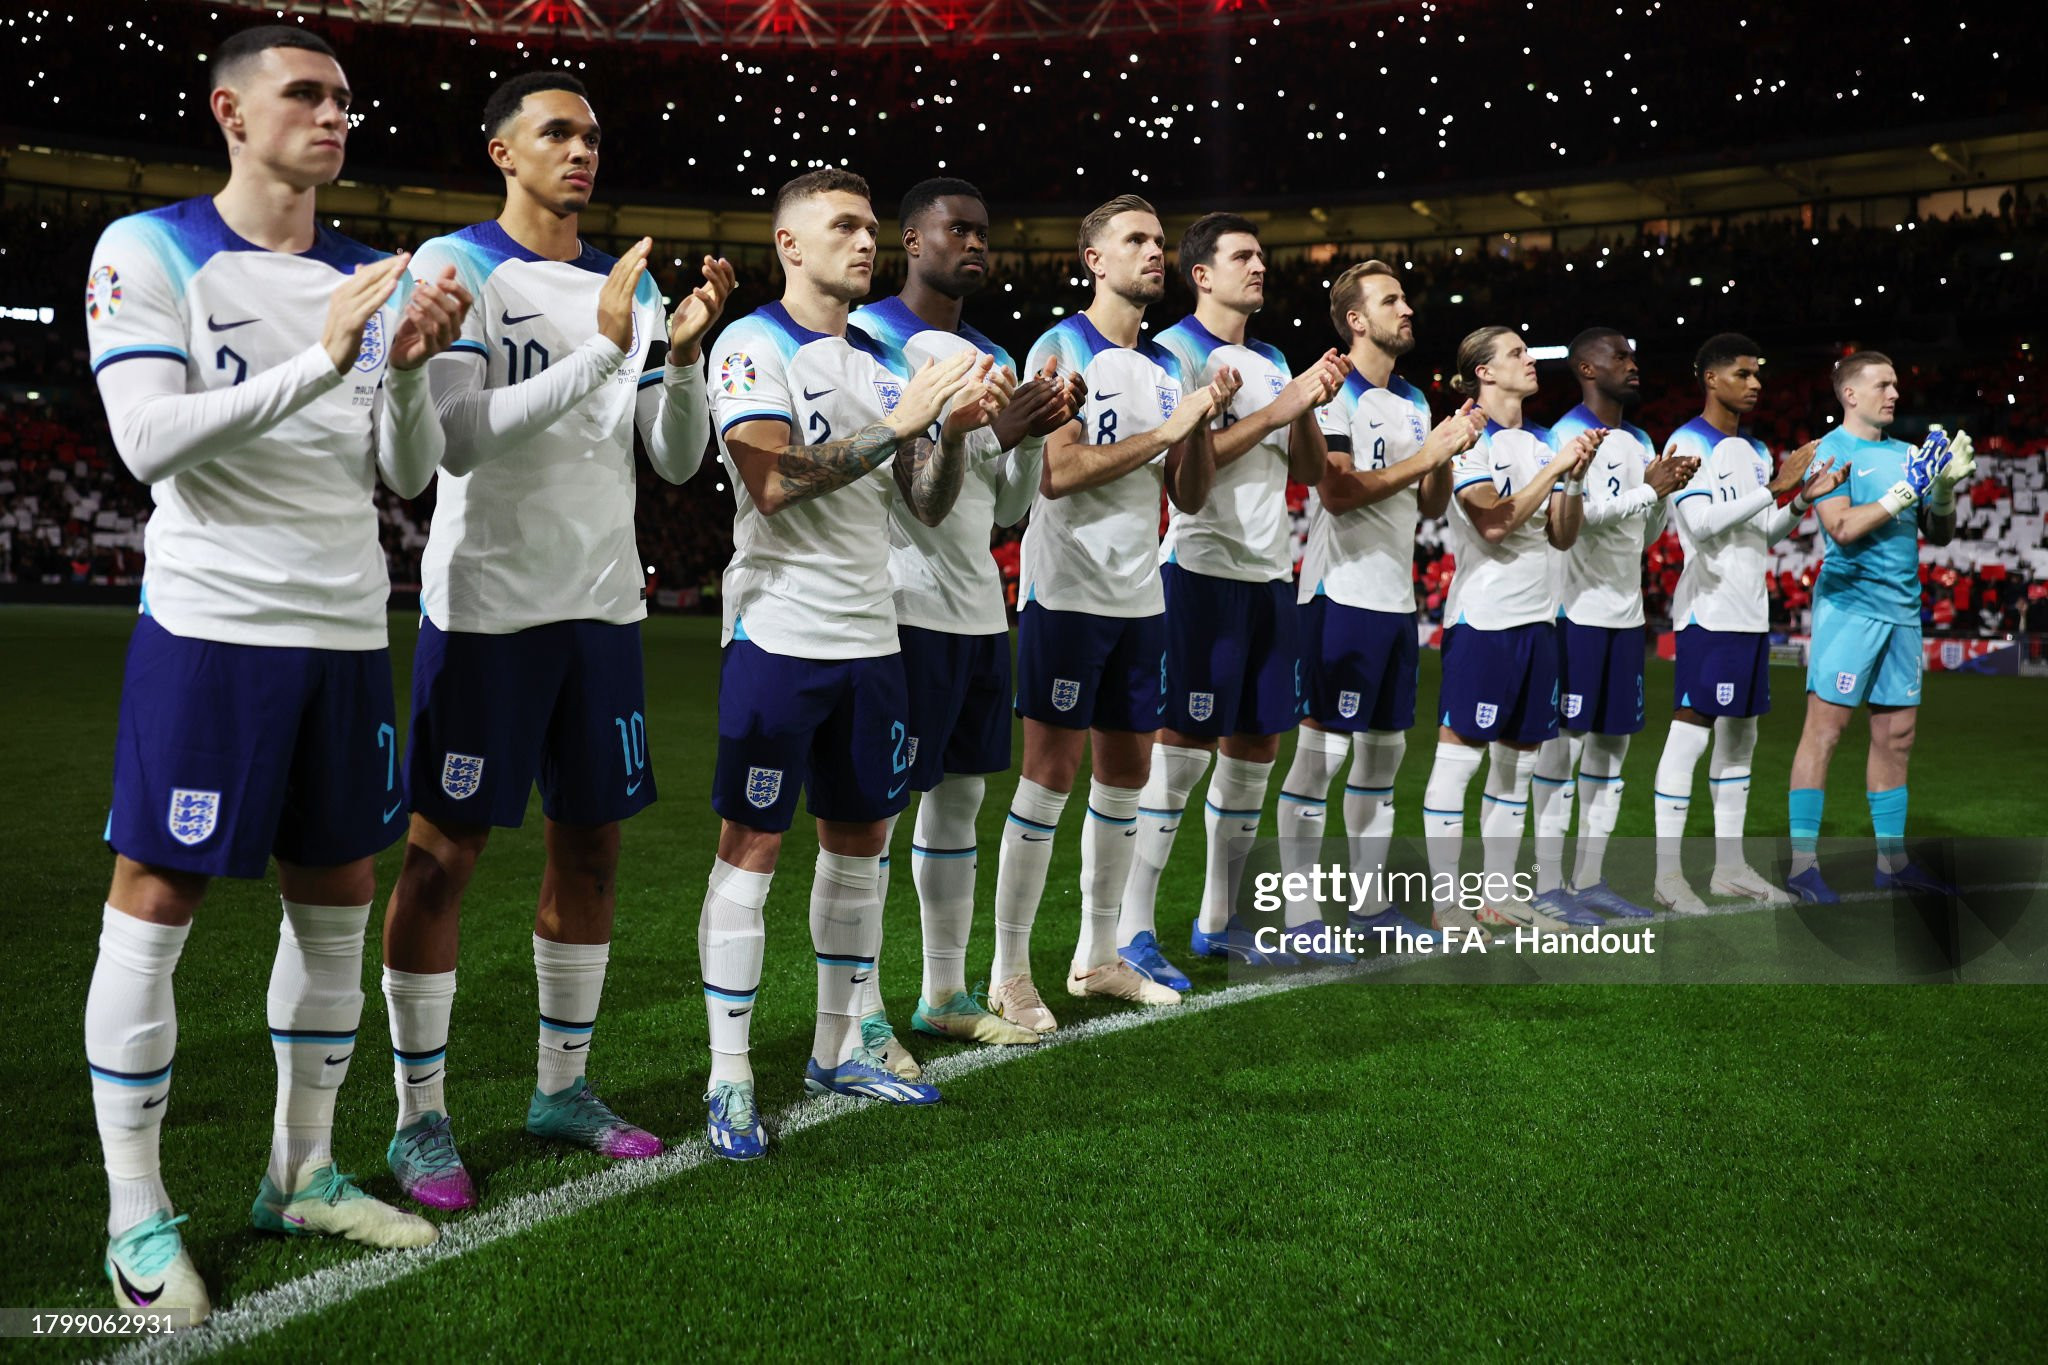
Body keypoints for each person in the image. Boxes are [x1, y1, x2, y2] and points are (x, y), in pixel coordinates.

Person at [81, 24, 470, 1322]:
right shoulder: (153, 251)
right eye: (305, 93)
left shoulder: (370, 270)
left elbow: (406, 472)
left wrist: (404, 370)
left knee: (338, 898)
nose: (333, 114)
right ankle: (136, 1212)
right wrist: (323, 354)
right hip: (213, 629)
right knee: (159, 892)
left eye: (344, 98)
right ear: (230, 112)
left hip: (349, 631)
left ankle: (299, 1171)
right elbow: (149, 441)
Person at [378, 72, 734, 1209]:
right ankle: (417, 1119)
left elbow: (674, 461)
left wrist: (678, 359)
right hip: (486, 609)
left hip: (601, 609)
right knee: (442, 858)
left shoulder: (620, 282)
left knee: (591, 850)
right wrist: (602, 351)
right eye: (557, 132)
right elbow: (457, 445)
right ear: (502, 152)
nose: (582, 150)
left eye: (591, 132)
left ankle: (561, 1089)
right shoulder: (460, 269)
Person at [699, 168, 997, 1159]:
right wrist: (905, 423)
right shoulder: (751, 343)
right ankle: (728, 1077)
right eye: (843, 227)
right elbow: (774, 481)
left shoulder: (881, 353)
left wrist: (946, 435)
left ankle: (837, 1047)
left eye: (871, 227)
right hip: (780, 634)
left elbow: (924, 502)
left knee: (859, 847)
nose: (865, 242)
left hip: (875, 637)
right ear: (788, 244)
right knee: (752, 850)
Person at [985, 194, 1234, 1030]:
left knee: (1126, 774)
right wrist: (1172, 430)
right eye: (1136, 240)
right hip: (1068, 592)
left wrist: (1196, 423)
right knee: (1050, 773)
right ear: (1093, 259)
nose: (1154, 252)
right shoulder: (1062, 345)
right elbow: (1056, 472)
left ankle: (1098, 957)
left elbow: (1190, 496)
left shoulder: (1168, 369)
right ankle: (1009, 970)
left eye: (1160, 241)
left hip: (1140, 597)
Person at [849, 176, 1081, 1054]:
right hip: (901, 604)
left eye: (985, 231)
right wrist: (990, 430)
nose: (976, 243)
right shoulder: (868, 339)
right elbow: (909, 497)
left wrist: (1029, 427)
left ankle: (943, 991)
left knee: (958, 808)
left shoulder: (993, 351)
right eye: (959, 229)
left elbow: (1010, 502)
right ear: (911, 240)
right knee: (876, 817)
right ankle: (860, 1004)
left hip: (981, 611)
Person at [1119, 212, 1348, 980]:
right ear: (1202, 274)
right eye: (1242, 256)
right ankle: (1132, 929)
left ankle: (1219, 920)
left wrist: (1308, 401)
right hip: (1199, 570)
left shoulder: (1276, 358)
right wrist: (1278, 411)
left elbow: (1310, 471)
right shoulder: (1172, 354)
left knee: (1255, 751)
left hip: (1267, 576)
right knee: (1179, 754)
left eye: (1262, 255)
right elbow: (1182, 476)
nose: (1259, 267)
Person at [1275, 259, 1480, 944]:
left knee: (1383, 761)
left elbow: (1428, 503)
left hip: (1395, 604)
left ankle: (1368, 907)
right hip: (1340, 597)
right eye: (1391, 300)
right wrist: (1428, 457)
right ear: (1356, 319)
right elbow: (1334, 490)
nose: (1408, 309)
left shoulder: (1414, 401)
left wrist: (1447, 446)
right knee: (1321, 760)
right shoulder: (1335, 392)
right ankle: (1300, 913)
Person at [1417, 328, 1598, 928]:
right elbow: (1494, 523)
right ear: (1484, 372)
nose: (1529, 360)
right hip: (1486, 621)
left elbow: (1563, 535)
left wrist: (1572, 476)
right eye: (1517, 353)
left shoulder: (1545, 441)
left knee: (1516, 766)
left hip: (1540, 621)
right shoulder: (1466, 436)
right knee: (1460, 761)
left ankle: (1498, 897)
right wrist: (1555, 472)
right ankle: (1446, 903)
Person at [1650, 334, 1838, 913]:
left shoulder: (1754, 449)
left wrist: (1800, 502)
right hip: (1708, 612)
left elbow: (1757, 532)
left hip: (1749, 613)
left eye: (1759, 373)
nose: (1756, 382)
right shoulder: (1688, 441)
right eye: (1742, 373)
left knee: (1742, 738)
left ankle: (1729, 869)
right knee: (1691, 732)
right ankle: (1666, 875)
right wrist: (1772, 489)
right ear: (1710, 378)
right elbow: (1702, 525)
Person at [1784, 352, 1970, 901]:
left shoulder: (1911, 454)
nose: (1894, 394)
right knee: (1826, 732)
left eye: (1896, 384)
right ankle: (1801, 865)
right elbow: (1840, 527)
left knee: (1898, 737)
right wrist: (1906, 491)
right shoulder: (1830, 451)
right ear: (1851, 394)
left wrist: (1941, 492)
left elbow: (1938, 535)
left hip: (1903, 612)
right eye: (1883, 385)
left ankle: (1892, 862)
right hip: (1850, 609)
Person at [1527, 329, 1697, 923]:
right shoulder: (1568, 438)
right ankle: (1549, 886)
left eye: (1633, 353)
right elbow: (1570, 522)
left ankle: (1590, 880)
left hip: (1625, 618)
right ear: (1587, 369)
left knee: (1611, 754)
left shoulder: (1640, 439)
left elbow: (1640, 534)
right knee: (1562, 756)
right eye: (1619, 357)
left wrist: (1659, 495)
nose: (1633, 364)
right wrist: (1644, 490)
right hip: (1575, 614)